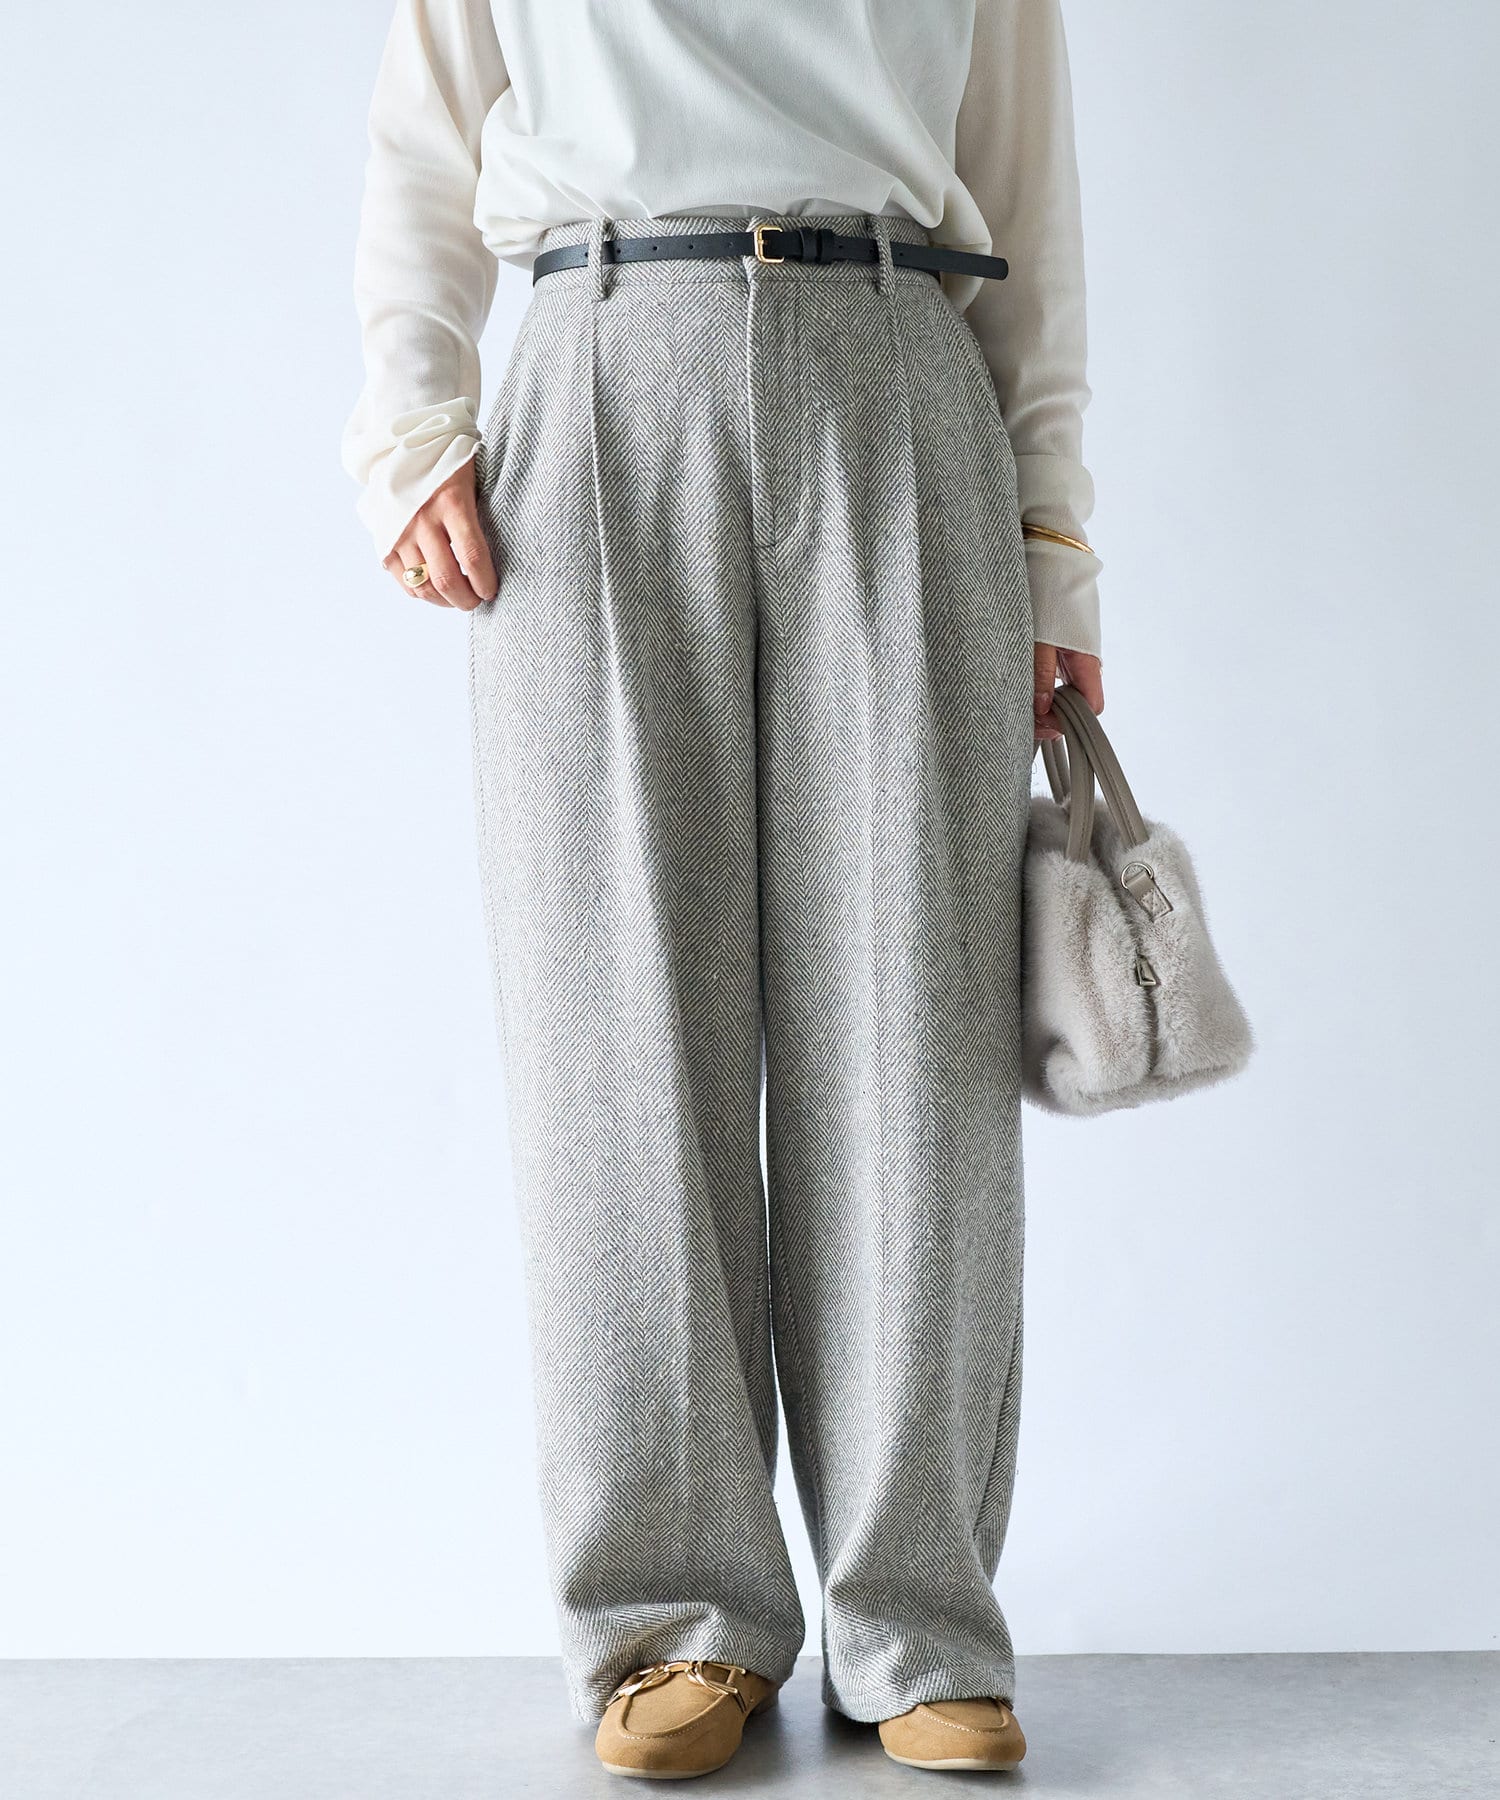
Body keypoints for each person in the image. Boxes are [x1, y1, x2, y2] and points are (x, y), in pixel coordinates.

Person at [342, 0, 1105, 1779]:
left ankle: (915, 1618)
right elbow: (422, 140)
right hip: (600, 367)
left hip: (900, 367)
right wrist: (411, 426)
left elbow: (1029, 210)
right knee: (616, 1027)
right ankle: (675, 1617)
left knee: (913, 1030)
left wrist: (1056, 548)